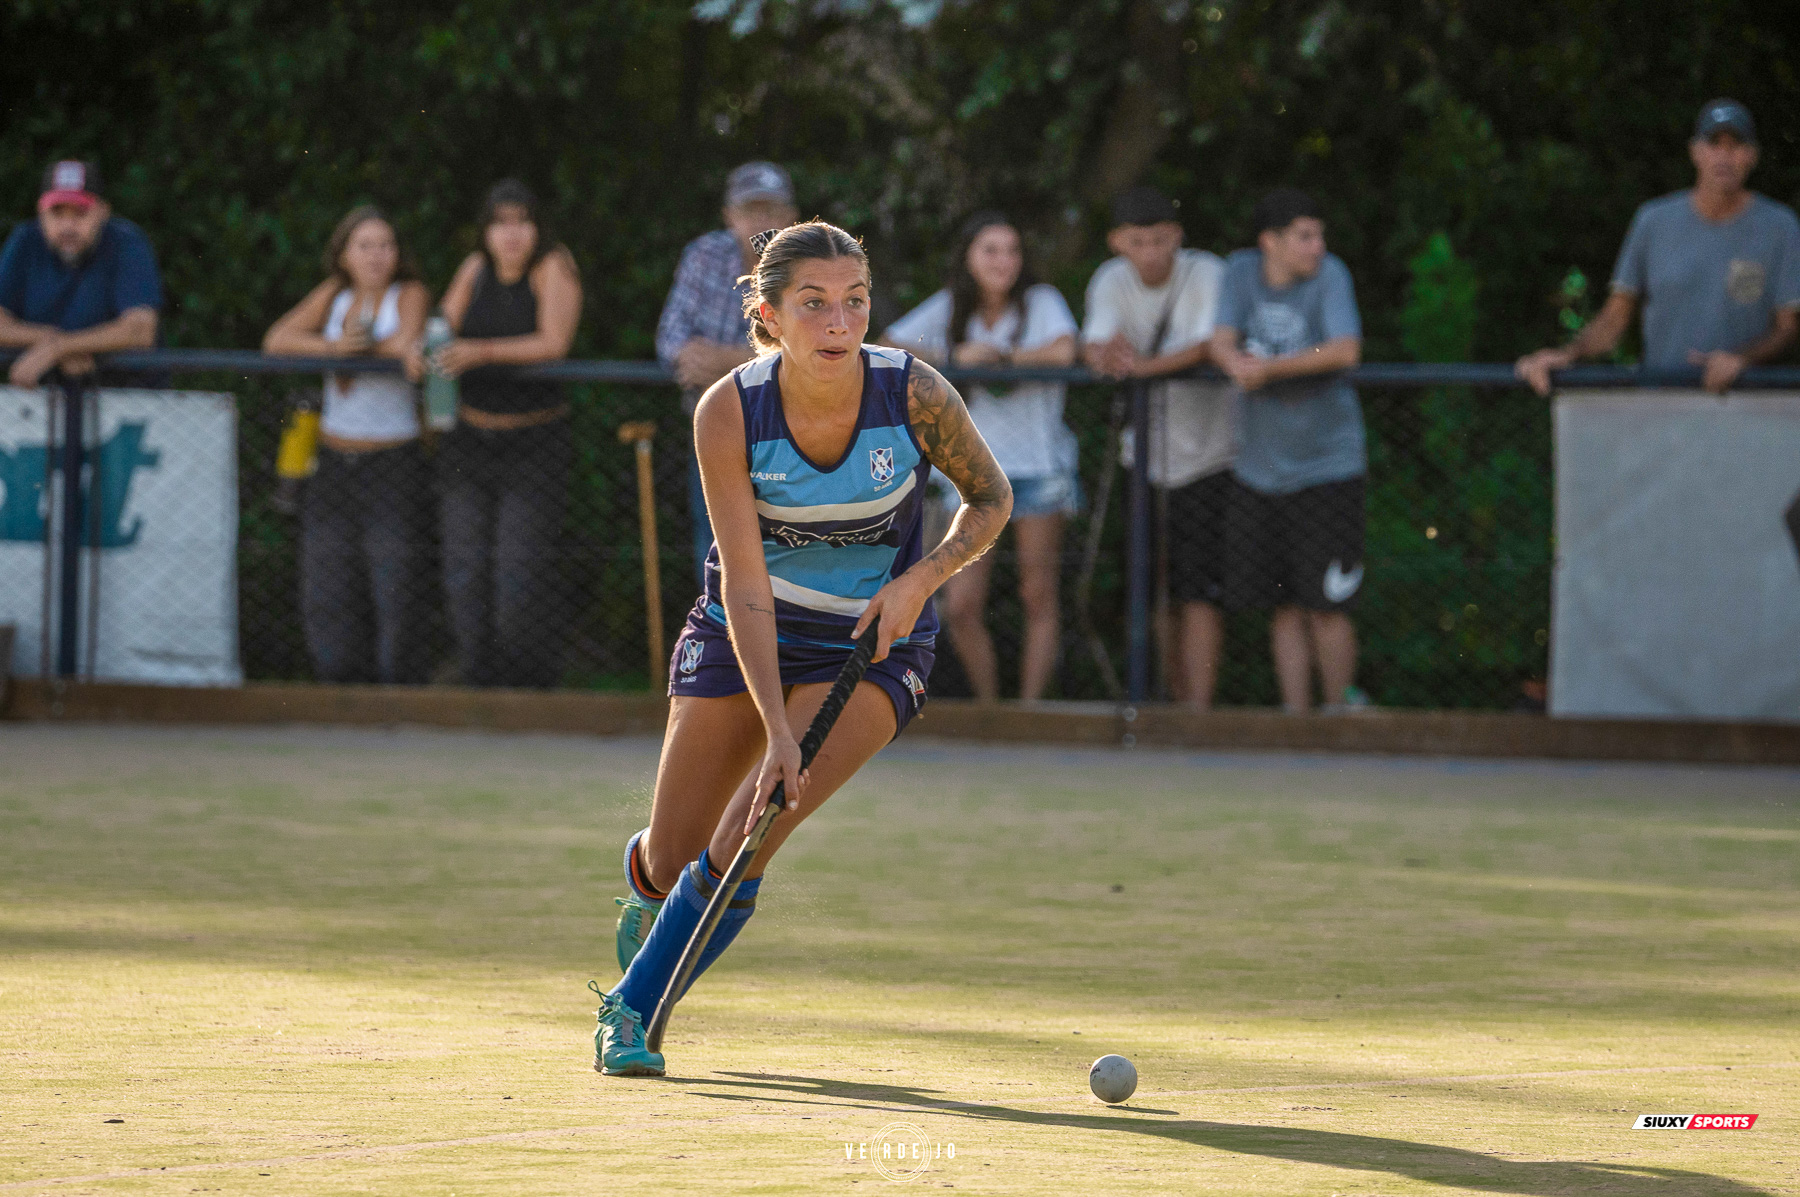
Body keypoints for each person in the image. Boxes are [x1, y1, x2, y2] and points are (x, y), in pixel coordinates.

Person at [592, 222, 1011, 1076]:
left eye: (855, 301)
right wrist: (778, 730)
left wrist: (920, 579)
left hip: (870, 646)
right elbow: (745, 585)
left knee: (752, 829)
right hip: (746, 628)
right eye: (814, 304)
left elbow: (991, 498)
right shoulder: (729, 411)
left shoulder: (914, 393)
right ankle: (648, 881)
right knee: (675, 857)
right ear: (769, 315)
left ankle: (629, 1009)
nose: (839, 323)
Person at [882, 211, 1078, 701]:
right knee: (962, 604)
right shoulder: (950, 305)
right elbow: (888, 347)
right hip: (969, 476)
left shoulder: (1041, 300)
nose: (1003, 261)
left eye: (1012, 250)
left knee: (1038, 595)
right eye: (991, 250)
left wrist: (1001, 358)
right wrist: (954, 358)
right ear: (968, 257)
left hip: (1039, 469)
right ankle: (991, 708)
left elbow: (1064, 352)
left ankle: (1030, 713)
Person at [1516, 99, 1800, 396]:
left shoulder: (1780, 227)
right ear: (1695, 151)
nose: (1724, 156)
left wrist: (1741, 360)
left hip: (1748, 404)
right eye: (1714, 143)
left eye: (1736, 145)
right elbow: (1615, 317)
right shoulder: (1652, 221)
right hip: (1662, 402)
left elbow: (1788, 327)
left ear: (1753, 155)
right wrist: (1569, 354)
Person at [419, 180, 582, 689]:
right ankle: (475, 681)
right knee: (464, 572)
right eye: (499, 223)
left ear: (537, 228)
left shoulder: (553, 265)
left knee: (519, 574)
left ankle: (527, 686)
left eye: (521, 222)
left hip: (534, 445)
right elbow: (438, 330)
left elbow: (553, 343)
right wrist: (414, 351)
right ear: (485, 232)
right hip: (468, 442)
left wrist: (479, 352)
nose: (511, 234)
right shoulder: (474, 269)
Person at [1211, 188, 1368, 715]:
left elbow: (1345, 348)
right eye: (1305, 236)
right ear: (1269, 242)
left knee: (1327, 606)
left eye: (1319, 235)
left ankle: (1338, 717)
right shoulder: (1239, 271)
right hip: (1259, 471)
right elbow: (1221, 339)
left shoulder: (1332, 274)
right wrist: (1234, 363)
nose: (1317, 246)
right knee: (1282, 605)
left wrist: (1268, 369)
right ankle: (1295, 722)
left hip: (1329, 468)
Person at [263, 205, 432, 684]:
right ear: (343, 255)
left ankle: (398, 695)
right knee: (327, 585)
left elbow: (405, 342)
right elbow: (278, 339)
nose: (377, 255)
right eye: (365, 246)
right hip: (333, 463)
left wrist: (361, 348)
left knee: (394, 585)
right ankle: (338, 691)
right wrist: (335, 347)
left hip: (392, 462)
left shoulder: (409, 293)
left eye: (386, 245)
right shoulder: (334, 295)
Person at [1081, 186, 1231, 709]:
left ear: (1178, 236)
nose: (1151, 253)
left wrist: (1140, 367)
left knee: (1199, 590)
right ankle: (1170, 698)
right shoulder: (1109, 280)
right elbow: (1096, 345)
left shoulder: (1206, 272)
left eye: (1161, 240)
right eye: (1139, 242)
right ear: (1117, 242)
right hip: (1142, 459)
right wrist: (1106, 357)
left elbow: (1207, 344)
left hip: (1209, 455)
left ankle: (1198, 710)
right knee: (1155, 583)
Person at [656, 162, 800, 584]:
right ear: (728, 216)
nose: (761, 221)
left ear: (791, 217)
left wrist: (723, 360)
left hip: (794, 436)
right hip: (716, 429)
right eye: (750, 210)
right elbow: (670, 339)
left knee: (792, 555)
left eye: (771, 210)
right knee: (717, 554)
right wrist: (694, 358)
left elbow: (814, 351)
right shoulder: (704, 254)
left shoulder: (813, 261)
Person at [0, 160, 161, 387]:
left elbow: (141, 329)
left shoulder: (126, 242)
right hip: (40, 396)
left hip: (127, 395)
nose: (68, 226)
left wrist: (60, 348)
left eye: (80, 213)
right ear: (40, 212)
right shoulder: (25, 241)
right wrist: (52, 341)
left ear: (103, 212)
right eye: (57, 213)